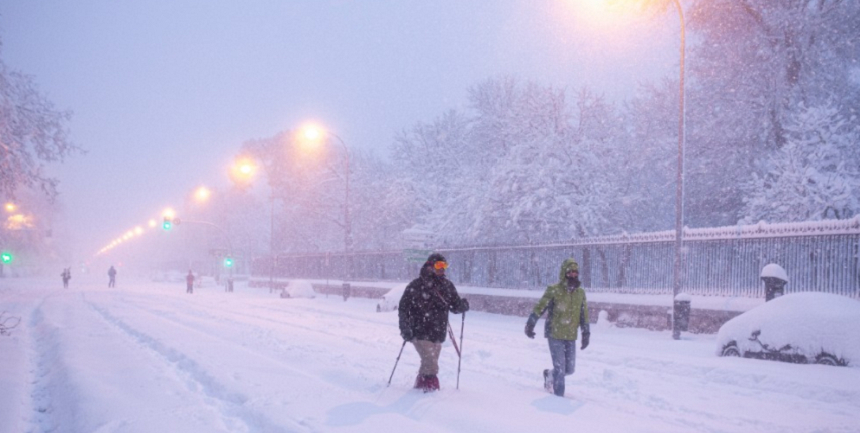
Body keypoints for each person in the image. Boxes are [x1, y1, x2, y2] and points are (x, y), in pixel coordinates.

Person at [398, 253, 469, 392]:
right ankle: (431, 391)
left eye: (444, 265)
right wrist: (405, 327)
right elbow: (403, 308)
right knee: (431, 364)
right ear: (430, 266)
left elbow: (454, 306)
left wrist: (463, 306)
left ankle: (419, 386)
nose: (442, 269)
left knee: (429, 362)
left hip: (437, 333)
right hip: (419, 331)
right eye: (438, 265)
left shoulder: (447, 286)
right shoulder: (416, 285)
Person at [524, 258, 590, 397]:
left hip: (570, 335)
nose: (573, 275)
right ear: (564, 273)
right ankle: (559, 399)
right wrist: (531, 323)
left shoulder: (580, 293)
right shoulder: (554, 290)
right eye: (570, 272)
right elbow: (540, 306)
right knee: (560, 369)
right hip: (554, 333)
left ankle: (549, 374)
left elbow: (584, 314)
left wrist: (586, 333)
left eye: (575, 272)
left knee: (569, 369)